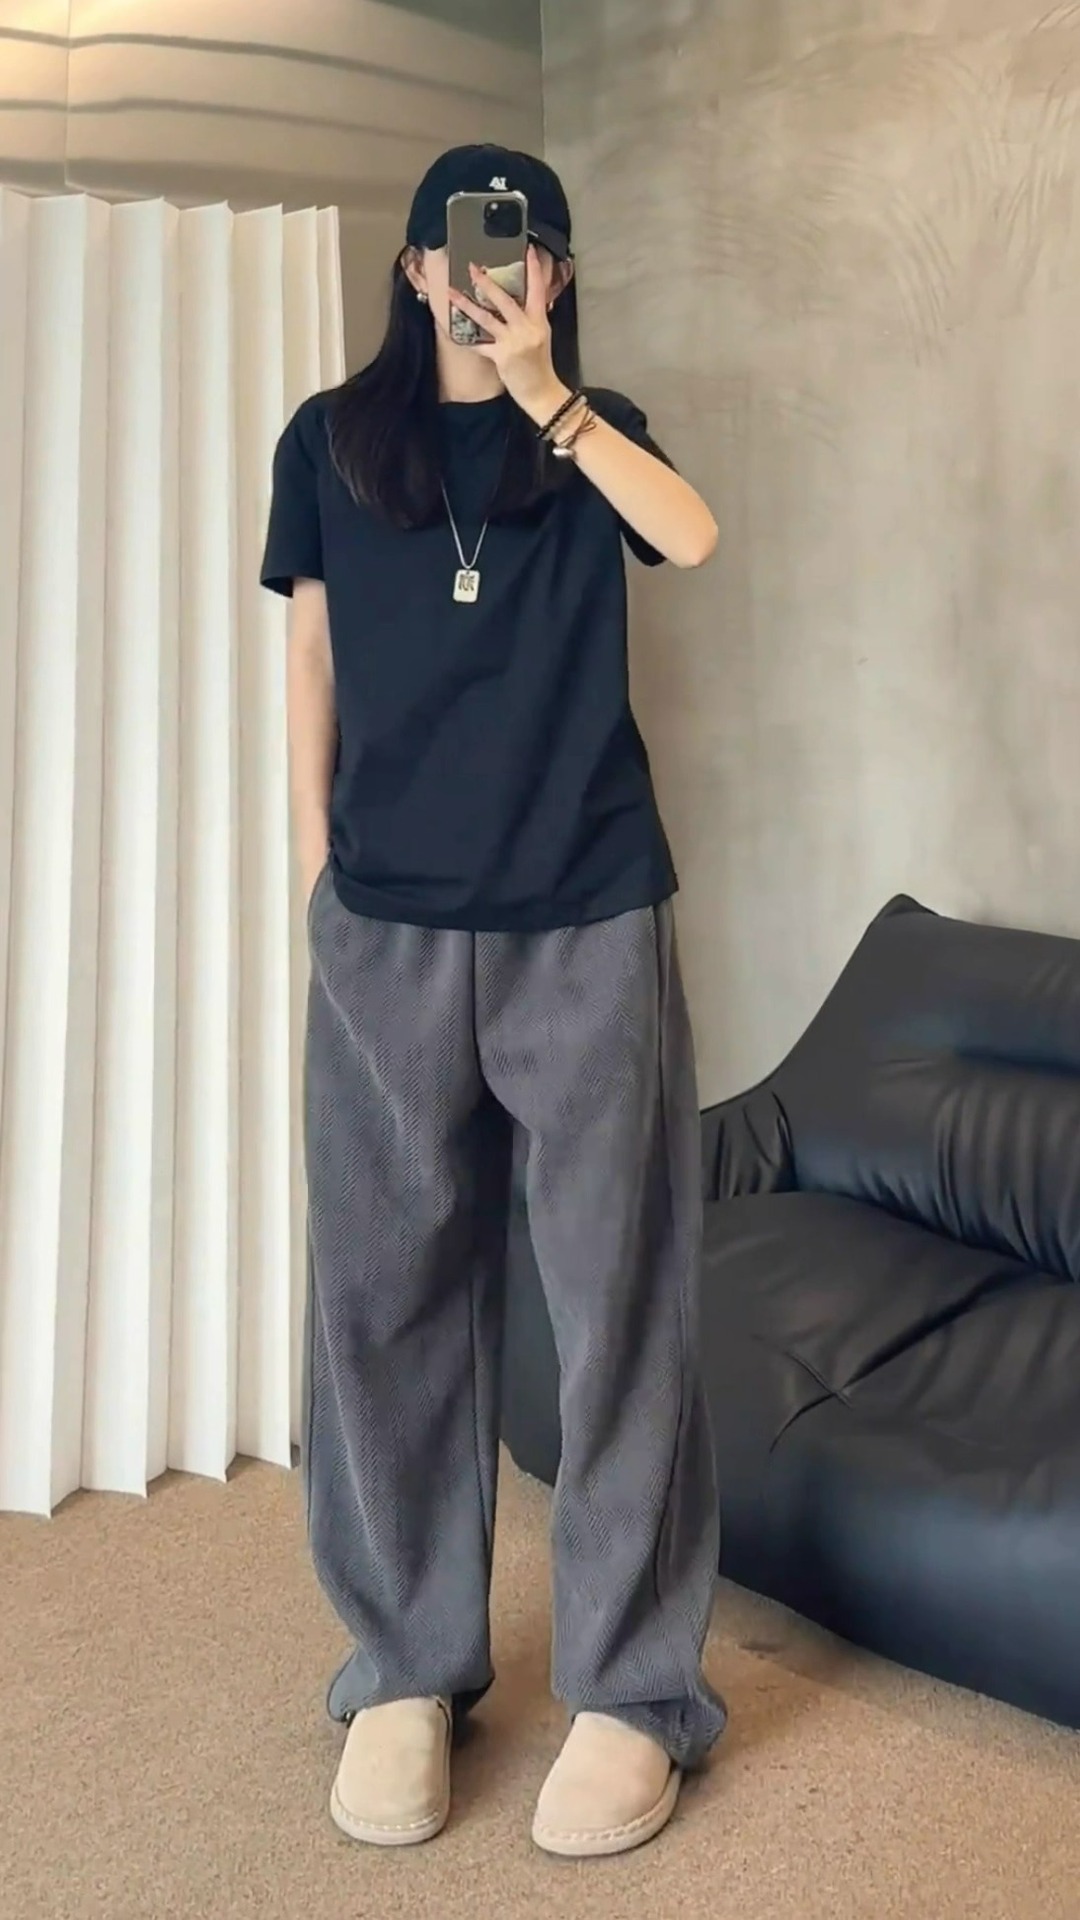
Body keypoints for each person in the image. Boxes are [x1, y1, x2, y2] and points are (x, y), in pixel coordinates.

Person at [260, 143, 726, 1861]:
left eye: (520, 251)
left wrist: (550, 397)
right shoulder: (330, 440)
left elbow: (693, 534)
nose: (486, 275)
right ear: (412, 270)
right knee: (381, 1295)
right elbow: (311, 652)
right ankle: (405, 1664)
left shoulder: (596, 434)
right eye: (459, 251)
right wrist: (318, 872)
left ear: (555, 272)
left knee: (619, 1299)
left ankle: (632, 1690)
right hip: (385, 926)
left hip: (586, 914)